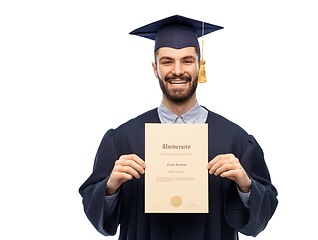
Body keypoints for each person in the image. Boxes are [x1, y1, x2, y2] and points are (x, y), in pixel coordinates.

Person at [79, 15, 278, 240]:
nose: (177, 70)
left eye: (187, 60)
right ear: (155, 69)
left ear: (199, 65)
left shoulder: (235, 139)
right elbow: (96, 215)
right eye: (167, 61)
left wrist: (246, 185)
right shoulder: (123, 139)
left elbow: (263, 215)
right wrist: (110, 188)